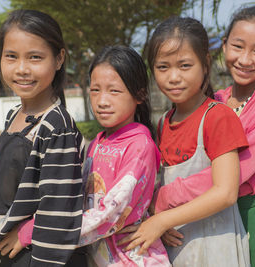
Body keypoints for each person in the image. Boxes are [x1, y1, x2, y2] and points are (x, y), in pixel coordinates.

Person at [151, 7, 255, 267]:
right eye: (237, 46)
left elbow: (238, 171)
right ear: (224, 47)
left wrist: (164, 200)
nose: (245, 59)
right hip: (219, 214)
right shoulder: (215, 102)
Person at [14, 45, 171, 266]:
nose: (102, 101)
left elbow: (110, 215)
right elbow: (78, 197)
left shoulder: (139, 145)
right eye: (95, 90)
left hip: (132, 258)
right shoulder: (97, 141)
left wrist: (40, 231)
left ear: (140, 95)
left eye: (114, 91)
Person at [119, 17, 250, 267]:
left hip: (217, 249)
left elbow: (226, 192)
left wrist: (162, 220)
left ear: (205, 65)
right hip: (179, 250)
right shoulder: (163, 123)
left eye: (185, 65)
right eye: (163, 67)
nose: (174, 77)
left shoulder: (217, 116)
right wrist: (160, 217)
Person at [0, 9, 86, 267]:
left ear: (59, 58)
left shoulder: (57, 125)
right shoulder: (13, 116)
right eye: (11, 57)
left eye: (35, 57)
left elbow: (59, 209)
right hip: (15, 252)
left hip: (42, 255)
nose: (22, 69)